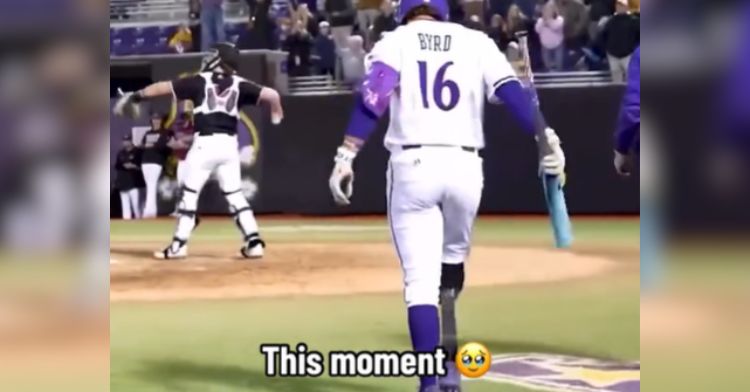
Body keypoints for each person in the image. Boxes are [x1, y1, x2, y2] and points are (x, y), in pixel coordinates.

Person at [326, 1, 566, 390]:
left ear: (405, 10)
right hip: (466, 167)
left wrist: (346, 155)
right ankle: (452, 369)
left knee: (420, 284)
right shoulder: (477, 41)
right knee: (450, 266)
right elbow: (513, 94)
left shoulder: (395, 40)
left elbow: (374, 100)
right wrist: (545, 138)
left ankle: (430, 383)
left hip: (414, 164)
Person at [114, 42, 284, 260]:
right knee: (235, 195)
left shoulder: (199, 81)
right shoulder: (241, 84)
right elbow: (272, 95)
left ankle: (179, 244)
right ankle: (254, 241)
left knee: (189, 193)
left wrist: (137, 95)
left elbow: (163, 87)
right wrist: (276, 115)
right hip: (229, 146)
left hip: (205, 144)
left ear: (219, 60)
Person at [140, 112, 174, 218]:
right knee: (149, 185)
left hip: (157, 161)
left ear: (161, 121)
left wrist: (152, 145)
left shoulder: (165, 132)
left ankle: (150, 212)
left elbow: (164, 146)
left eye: (158, 119)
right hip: (145, 161)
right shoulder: (148, 132)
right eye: (154, 119)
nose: (156, 121)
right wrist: (149, 145)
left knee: (152, 184)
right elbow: (142, 145)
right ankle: (149, 210)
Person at [598, 0, 639, 83]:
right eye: (618, 6)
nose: (619, 8)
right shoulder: (610, 21)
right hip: (613, 55)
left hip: (628, 55)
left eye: (622, 6)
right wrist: (605, 51)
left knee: (631, 81)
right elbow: (603, 37)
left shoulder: (634, 21)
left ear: (626, 7)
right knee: (616, 83)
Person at [115, 135, 143, 220]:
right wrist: (124, 166)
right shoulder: (121, 153)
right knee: (125, 205)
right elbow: (117, 166)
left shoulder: (137, 151)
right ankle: (126, 223)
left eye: (128, 140)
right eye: (124, 140)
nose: (126, 142)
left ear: (131, 141)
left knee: (136, 205)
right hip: (123, 182)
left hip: (134, 182)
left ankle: (140, 223)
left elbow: (141, 165)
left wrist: (134, 166)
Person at [535, 1, 565, 71]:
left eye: (549, 9)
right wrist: (542, 22)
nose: (547, 11)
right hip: (545, 47)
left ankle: (558, 77)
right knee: (547, 67)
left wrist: (547, 21)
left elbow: (555, 27)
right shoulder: (540, 21)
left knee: (558, 66)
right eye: (546, 10)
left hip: (557, 46)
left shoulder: (560, 19)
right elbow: (537, 30)